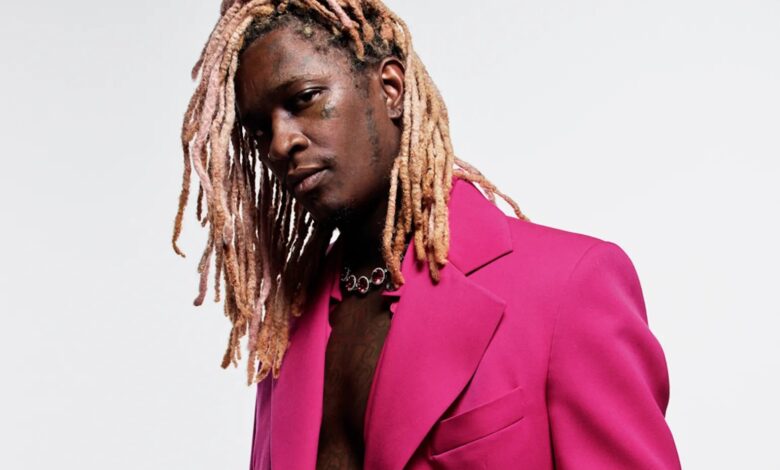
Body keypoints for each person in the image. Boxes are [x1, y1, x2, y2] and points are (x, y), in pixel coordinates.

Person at [172, 1, 682, 468]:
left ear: (390, 88)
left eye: (304, 99)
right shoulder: (286, 329)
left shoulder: (568, 286)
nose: (281, 143)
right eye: (261, 129)